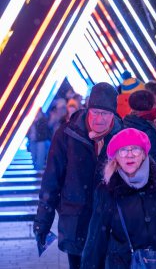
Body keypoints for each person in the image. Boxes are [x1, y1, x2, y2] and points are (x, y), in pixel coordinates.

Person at [33, 82, 123, 269]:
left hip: (111, 224)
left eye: (105, 114)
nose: (99, 119)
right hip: (76, 221)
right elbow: (51, 180)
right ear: (87, 108)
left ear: (113, 113)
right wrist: (43, 222)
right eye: (95, 112)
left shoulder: (123, 137)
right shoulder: (67, 134)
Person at [81, 128, 156, 269]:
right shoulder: (107, 190)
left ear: (143, 154)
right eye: (123, 150)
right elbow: (96, 241)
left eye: (135, 149)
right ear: (115, 156)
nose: (130, 155)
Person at [123, 89, 156, 171]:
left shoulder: (128, 122)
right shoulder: (147, 130)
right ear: (148, 107)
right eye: (154, 105)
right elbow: (155, 162)